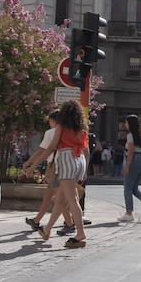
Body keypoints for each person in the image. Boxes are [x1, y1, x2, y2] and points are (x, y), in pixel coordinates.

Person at [21, 100, 90, 247]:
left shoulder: (61, 128)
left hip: (66, 160)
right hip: (79, 161)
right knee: (60, 200)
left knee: (73, 200)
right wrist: (85, 172)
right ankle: (47, 230)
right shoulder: (82, 129)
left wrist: (33, 166)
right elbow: (87, 152)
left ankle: (80, 232)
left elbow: (50, 149)